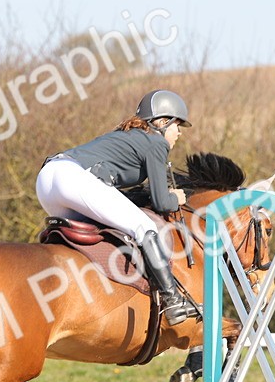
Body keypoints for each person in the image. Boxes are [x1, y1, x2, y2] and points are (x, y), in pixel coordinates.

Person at [36, 89, 197, 325]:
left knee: (100, 234)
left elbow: (117, 198)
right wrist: (178, 198)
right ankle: (172, 299)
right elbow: (163, 202)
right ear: (162, 122)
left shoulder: (128, 136)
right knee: (144, 226)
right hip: (72, 179)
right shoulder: (155, 143)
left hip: (47, 180)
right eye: (177, 125)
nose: (179, 133)